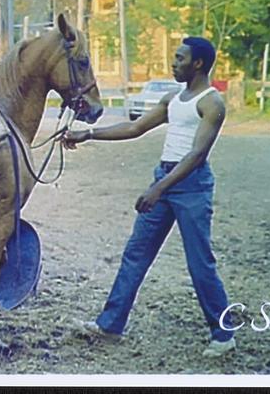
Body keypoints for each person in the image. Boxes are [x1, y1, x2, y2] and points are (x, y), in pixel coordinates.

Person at [62, 36, 235, 358]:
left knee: (200, 264)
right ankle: (110, 325)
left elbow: (197, 155)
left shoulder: (212, 103)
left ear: (198, 63)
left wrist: (159, 189)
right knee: (135, 255)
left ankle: (223, 334)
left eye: (180, 58)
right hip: (165, 177)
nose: (174, 63)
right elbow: (135, 128)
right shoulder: (174, 98)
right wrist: (88, 134)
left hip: (190, 185)